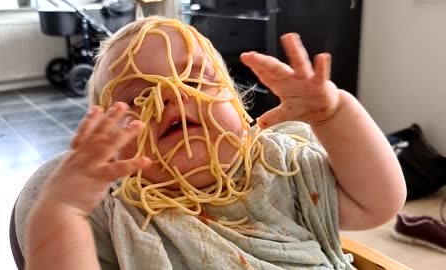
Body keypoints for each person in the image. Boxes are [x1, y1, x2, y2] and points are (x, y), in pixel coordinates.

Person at [21, 16, 406, 270]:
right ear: (115, 149)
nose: (171, 97)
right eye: (140, 98)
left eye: (193, 80)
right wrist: (63, 210)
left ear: (240, 108)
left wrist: (333, 113)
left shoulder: (280, 167)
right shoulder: (118, 219)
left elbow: (379, 203)